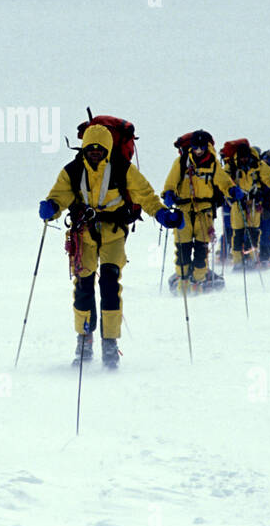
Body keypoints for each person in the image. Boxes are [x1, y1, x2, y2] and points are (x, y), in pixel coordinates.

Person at [40, 123, 182, 369]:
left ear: (107, 149)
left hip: (114, 234)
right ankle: (84, 340)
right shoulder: (72, 171)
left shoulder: (122, 169)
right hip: (83, 234)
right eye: (90, 149)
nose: (95, 153)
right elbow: (59, 195)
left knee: (109, 283)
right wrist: (51, 207)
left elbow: (145, 195)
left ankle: (110, 343)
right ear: (84, 149)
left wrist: (161, 214)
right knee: (83, 286)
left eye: (99, 149)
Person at [161, 130, 241, 292]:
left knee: (201, 247)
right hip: (183, 210)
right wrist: (168, 193)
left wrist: (231, 190)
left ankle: (199, 279)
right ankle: (182, 277)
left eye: (201, 147)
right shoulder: (182, 162)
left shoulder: (213, 164)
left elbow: (223, 182)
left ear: (206, 147)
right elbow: (171, 181)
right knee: (182, 246)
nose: (198, 151)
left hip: (205, 212)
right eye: (195, 147)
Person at [219, 139, 270, 269]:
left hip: (254, 201)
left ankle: (252, 257)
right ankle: (238, 260)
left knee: (253, 231)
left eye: (245, 158)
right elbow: (223, 180)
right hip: (238, 202)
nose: (244, 161)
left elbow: (269, 178)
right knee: (238, 232)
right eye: (242, 158)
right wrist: (230, 191)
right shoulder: (232, 166)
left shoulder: (259, 165)